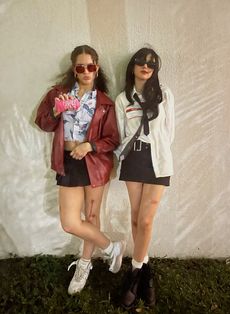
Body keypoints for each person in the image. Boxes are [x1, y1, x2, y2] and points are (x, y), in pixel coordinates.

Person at [35, 45, 126, 295]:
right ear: (74, 70)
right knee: (70, 222)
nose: (86, 71)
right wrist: (56, 110)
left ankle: (84, 264)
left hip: (95, 163)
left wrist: (89, 145)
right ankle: (111, 248)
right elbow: (42, 123)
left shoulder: (105, 102)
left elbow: (112, 139)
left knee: (92, 217)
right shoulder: (59, 94)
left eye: (91, 66)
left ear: (97, 68)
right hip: (69, 163)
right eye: (81, 67)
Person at [115, 47, 175, 309]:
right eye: (141, 61)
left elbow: (169, 131)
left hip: (158, 160)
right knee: (135, 216)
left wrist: (157, 151)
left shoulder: (165, 95)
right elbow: (121, 134)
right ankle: (147, 273)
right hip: (133, 160)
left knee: (146, 218)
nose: (146, 66)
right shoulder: (122, 99)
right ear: (133, 66)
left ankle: (135, 275)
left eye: (152, 63)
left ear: (156, 68)